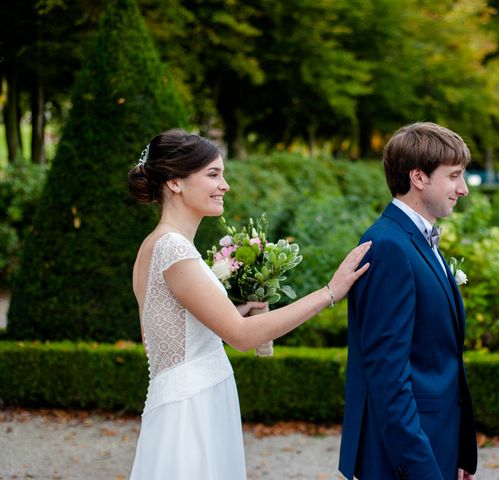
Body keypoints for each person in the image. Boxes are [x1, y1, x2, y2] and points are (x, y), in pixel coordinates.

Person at [127, 129, 371, 480]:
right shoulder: (173, 248)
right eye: (213, 174)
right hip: (191, 411)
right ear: (175, 182)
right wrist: (329, 292)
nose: (224, 184)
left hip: (186, 400)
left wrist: (233, 313)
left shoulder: (157, 245)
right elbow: (242, 337)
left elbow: (173, 336)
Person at [338, 122, 478, 480]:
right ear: (418, 176)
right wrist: (422, 470)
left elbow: (436, 356)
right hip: (404, 457)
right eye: (454, 176)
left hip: (437, 441)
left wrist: (457, 450)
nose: (462, 189)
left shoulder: (416, 240)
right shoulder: (388, 246)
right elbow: (388, 375)